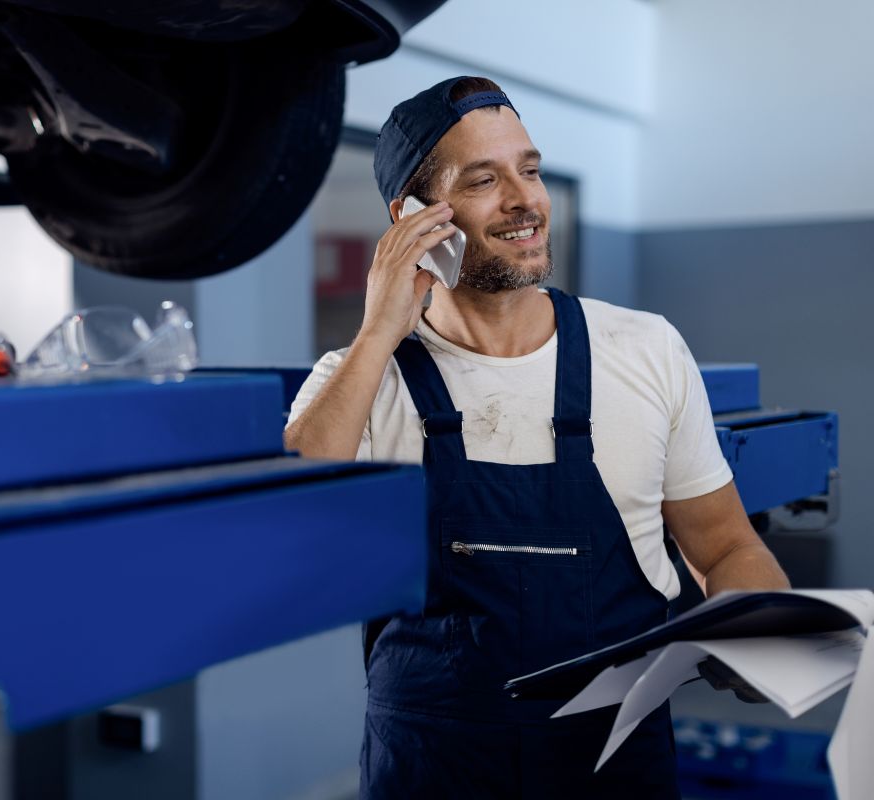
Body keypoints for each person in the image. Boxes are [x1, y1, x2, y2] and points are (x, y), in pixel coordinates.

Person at [284, 76, 790, 799]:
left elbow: (725, 546)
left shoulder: (644, 348)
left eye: (530, 169)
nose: (526, 200)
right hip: (431, 769)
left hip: (615, 763)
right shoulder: (362, 377)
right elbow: (287, 525)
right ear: (414, 218)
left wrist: (757, 625)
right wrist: (376, 334)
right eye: (485, 179)